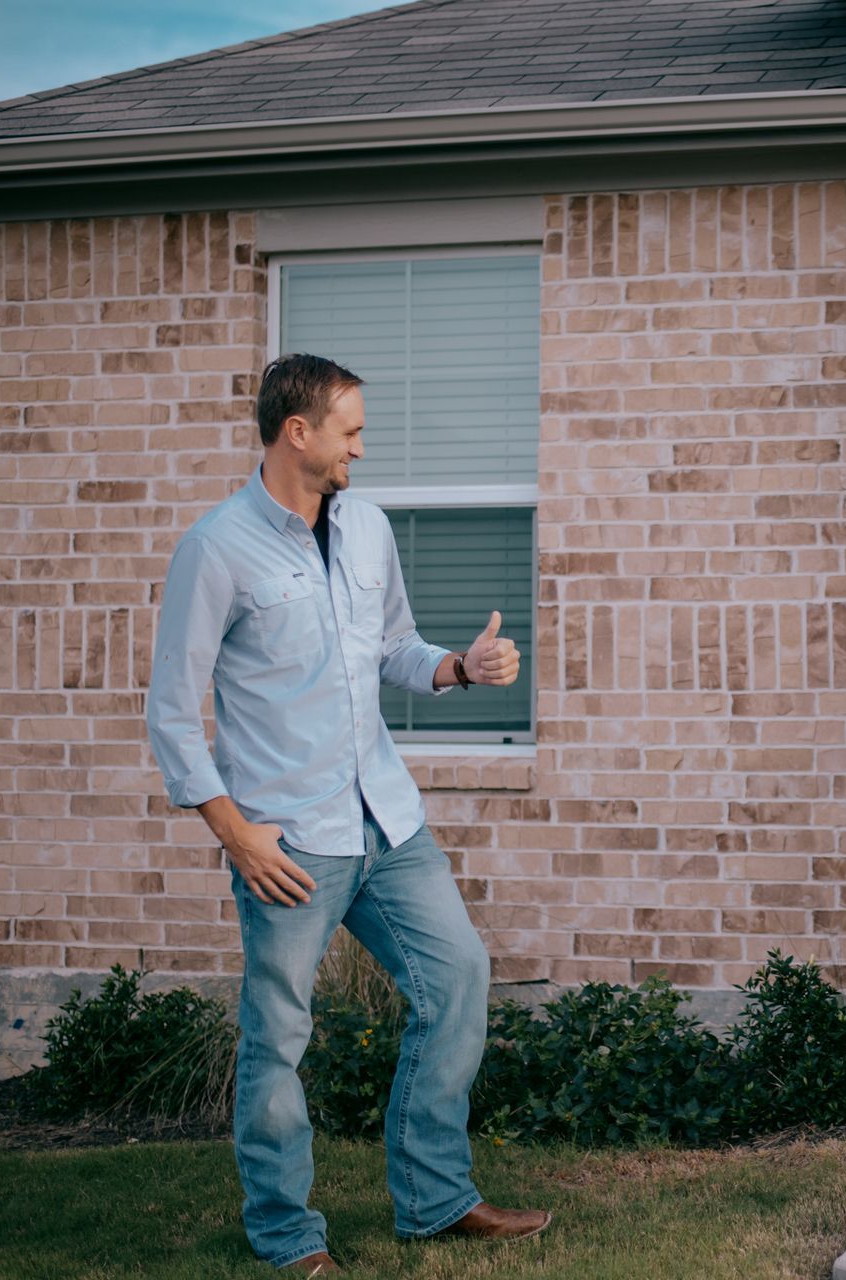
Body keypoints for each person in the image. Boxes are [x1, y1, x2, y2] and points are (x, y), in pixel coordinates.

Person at [147, 354, 544, 1274]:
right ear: (299, 432)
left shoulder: (366, 529)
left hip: (388, 823)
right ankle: (288, 1235)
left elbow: (394, 646)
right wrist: (234, 833)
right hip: (289, 841)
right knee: (277, 1039)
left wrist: (456, 668)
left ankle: (436, 1200)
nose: (361, 445)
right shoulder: (216, 549)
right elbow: (172, 709)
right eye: (351, 430)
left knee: (459, 983)